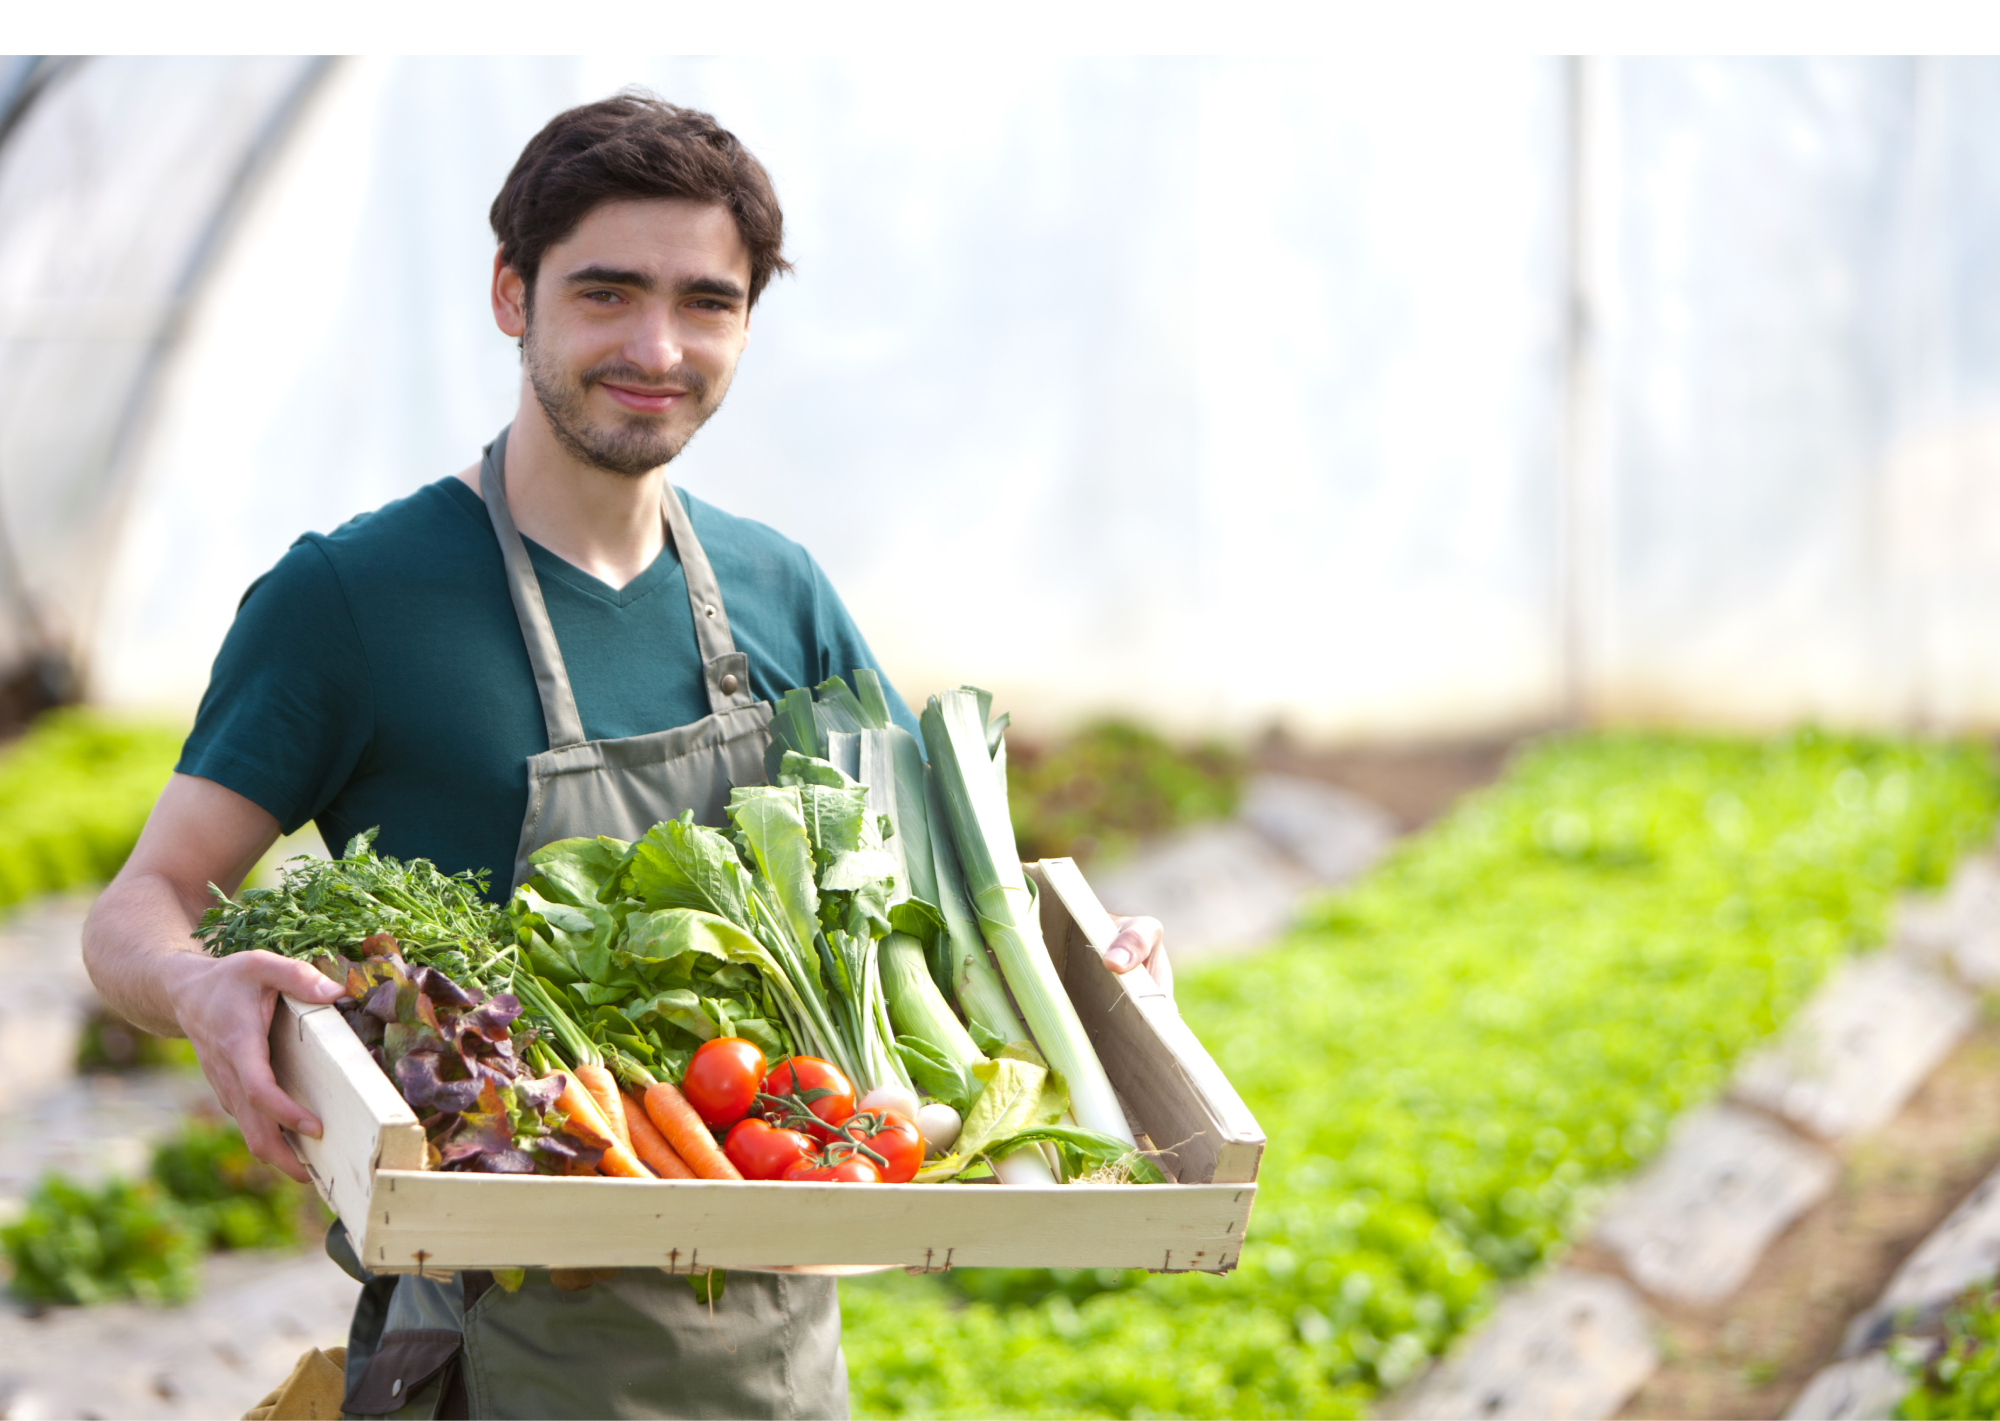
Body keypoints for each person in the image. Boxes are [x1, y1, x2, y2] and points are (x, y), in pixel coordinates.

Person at [81, 93, 1169, 1420]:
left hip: (776, 1359)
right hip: (492, 1355)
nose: (657, 346)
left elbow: (928, 903)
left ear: (747, 324)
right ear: (510, 294)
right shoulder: (352, 600)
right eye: (606, 293)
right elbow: (143, 902)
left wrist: (1083, 962)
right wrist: (195, 991)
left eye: (707, 303)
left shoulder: (783, 592)